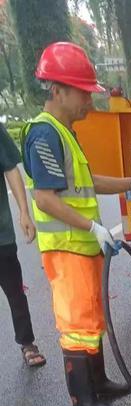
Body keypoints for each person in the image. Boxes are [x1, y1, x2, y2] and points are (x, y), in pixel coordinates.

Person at [21, 42, 131, 406]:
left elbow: (86, 183)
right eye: (83, 92)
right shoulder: (45, 134)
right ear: (58, 91)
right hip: (68, 249)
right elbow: (46, 198)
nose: (89, 100)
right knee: (77, 327)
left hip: (82, 248)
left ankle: (98, 384)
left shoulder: (65, 133)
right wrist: (93, 226)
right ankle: (84, 404)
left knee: (91, 318)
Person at [0, 123, 46, 368]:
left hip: (1, 236)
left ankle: (27, 342)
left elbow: (11, 169)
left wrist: (24, 213)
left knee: (15, 292)